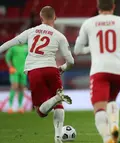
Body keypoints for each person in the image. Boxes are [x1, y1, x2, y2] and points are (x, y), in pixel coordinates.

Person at [0, 6, 74, 143]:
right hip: (52, 70)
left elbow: (11, 42)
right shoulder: (59, 36)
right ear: (55, 18)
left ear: (40, 18)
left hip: (34, 70)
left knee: (40, 111)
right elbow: (71, 61)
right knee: (59, 106)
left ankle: (57, 98)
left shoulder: (30, 32)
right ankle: (58, 138)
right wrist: (63, 67)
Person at [74, 0, 120, 142]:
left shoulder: (89, 23)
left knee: (99, 108)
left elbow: (77, 50)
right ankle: (114, 125)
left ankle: (107, 138)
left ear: (98, 7)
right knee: (111, 100)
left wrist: (92, 48)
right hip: (118, 70)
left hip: (99, 70)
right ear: (113, 6)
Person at [5, 42, 28, 114]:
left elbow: (29, 58)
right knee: (14, 86)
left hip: (23, 71)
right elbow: (7, 57)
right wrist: (10, 67)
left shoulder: (26, 47)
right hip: (14, 71)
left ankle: (20, 107)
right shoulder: (13, 47)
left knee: (21, 88)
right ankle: (10, 107)